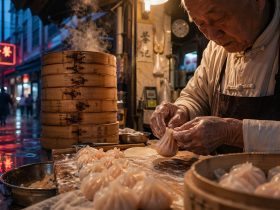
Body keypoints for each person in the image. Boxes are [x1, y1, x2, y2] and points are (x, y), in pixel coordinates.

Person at [150, 0, 280, 154]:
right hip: (216, 175)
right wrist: (182, 111)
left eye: (219, 18)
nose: (212, 36)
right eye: (200, 24)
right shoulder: (216, 49)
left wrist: (232, 133)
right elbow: (195, 97)